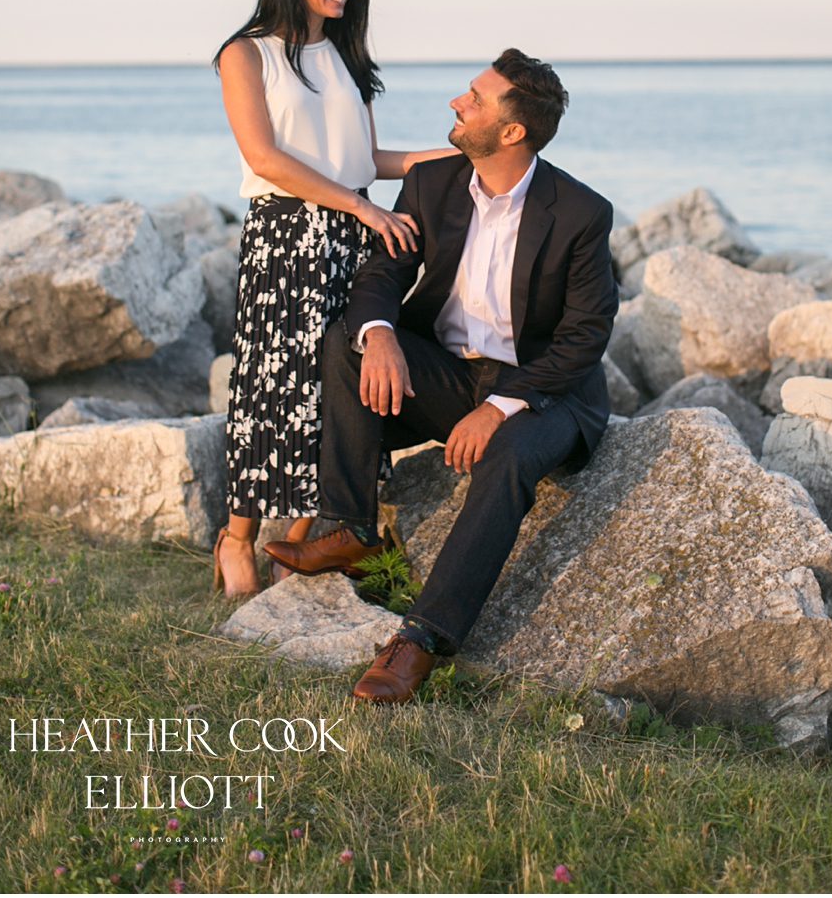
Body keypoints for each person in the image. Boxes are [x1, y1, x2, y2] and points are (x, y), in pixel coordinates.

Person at [263, 49, 616, 704]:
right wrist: (383, 336)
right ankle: (354, 531)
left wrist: (502, 405)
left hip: (545, 393)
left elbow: (584, 338)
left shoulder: (579, 213)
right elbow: (381, 276)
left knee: (508, 456)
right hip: (451, 375)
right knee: (348, 342)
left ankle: (421, 638)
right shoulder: (434, 182)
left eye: (475, 99)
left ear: (514, 132)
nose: (458, 104)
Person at [213, 0, 455, 598]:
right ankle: (236, 538)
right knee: (274, 388)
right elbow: (265, 157)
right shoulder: (245, 54)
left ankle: (294, 543)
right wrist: (359, 206)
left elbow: (370, 160)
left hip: (349, 240)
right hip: (286, 239)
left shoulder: (346, 58)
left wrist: (463, 155)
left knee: (333, 394)